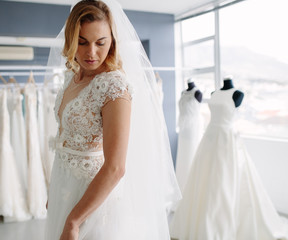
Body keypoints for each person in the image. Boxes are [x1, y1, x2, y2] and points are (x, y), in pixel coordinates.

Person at [45, 0, 181, 239]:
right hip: (64, 189)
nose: (91, 52)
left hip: (94, 203)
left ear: (112, 41)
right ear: (70, 39)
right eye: (82, 41)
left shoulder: (114, 86)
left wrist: (75, 219)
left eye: (100, 42)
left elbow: (116, 167)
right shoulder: (71, 78)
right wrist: (56, 193)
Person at [169, 77, 288, 240]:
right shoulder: (214, 92)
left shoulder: (237, 94)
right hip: (209, 140)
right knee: (204, 180)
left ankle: (221, 225)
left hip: (226, 141)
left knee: (223, 182)